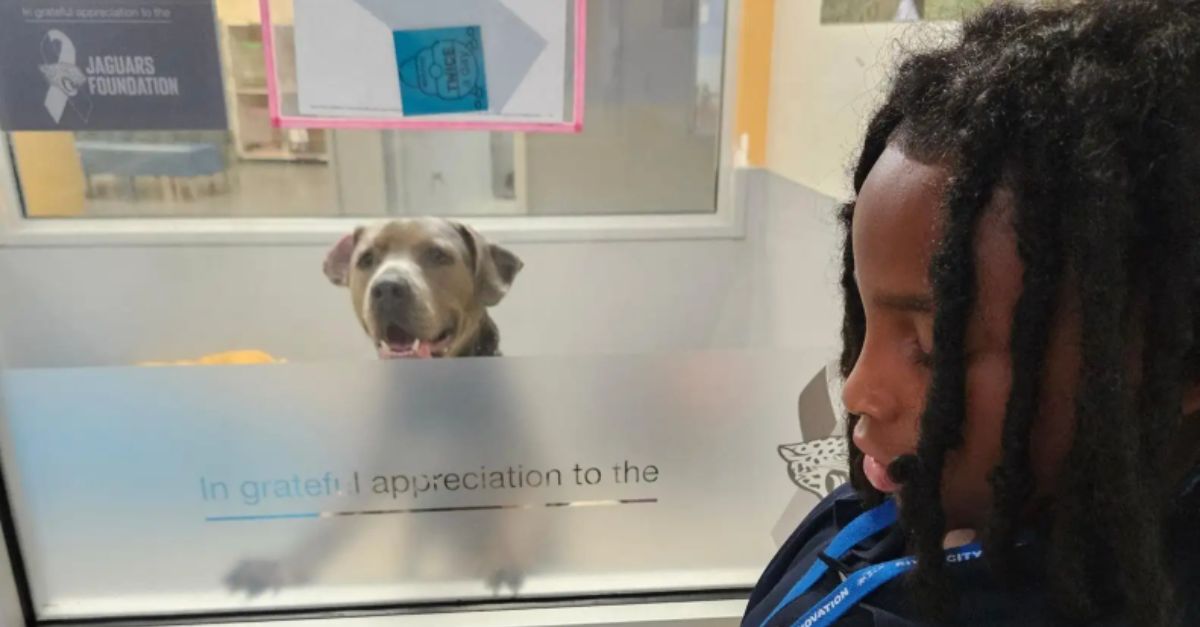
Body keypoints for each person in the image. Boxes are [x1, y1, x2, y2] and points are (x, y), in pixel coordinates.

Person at [742, 1, 1200, 625]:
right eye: (864, 315)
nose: (857, 390)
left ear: (1171, 366)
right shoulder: (889, 509)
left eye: (935, 347)